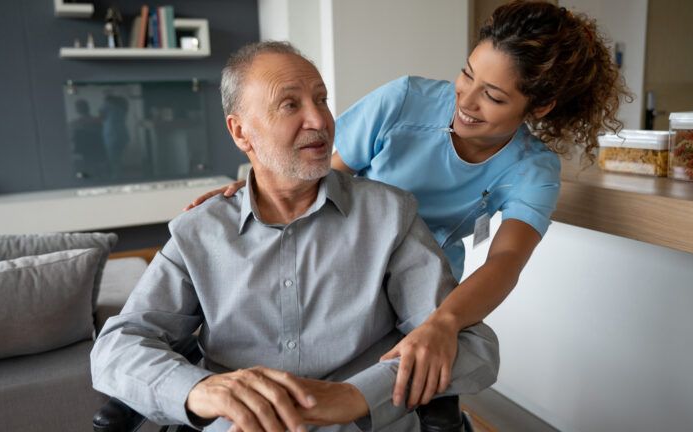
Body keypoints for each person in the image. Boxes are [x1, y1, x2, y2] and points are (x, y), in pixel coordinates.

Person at [186, 0, 631, 411]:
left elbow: (507, 259)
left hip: (422, 290)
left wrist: (444, 321)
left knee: (449, 357)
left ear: (541, 106)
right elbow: (318, 173)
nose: (467, 101)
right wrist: (250, 192)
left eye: (493, 97)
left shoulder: (532, 168)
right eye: (467, 74)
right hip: (341, 264)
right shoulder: (404, 101)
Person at [91, 41, 499, 432]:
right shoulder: (199, 231)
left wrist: (355, 396)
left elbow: (472, 347)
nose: (319, 119)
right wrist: (199, 390)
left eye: (321, 99)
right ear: (241, 133)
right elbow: (115, 350)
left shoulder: (389, 215)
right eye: (291, 104)